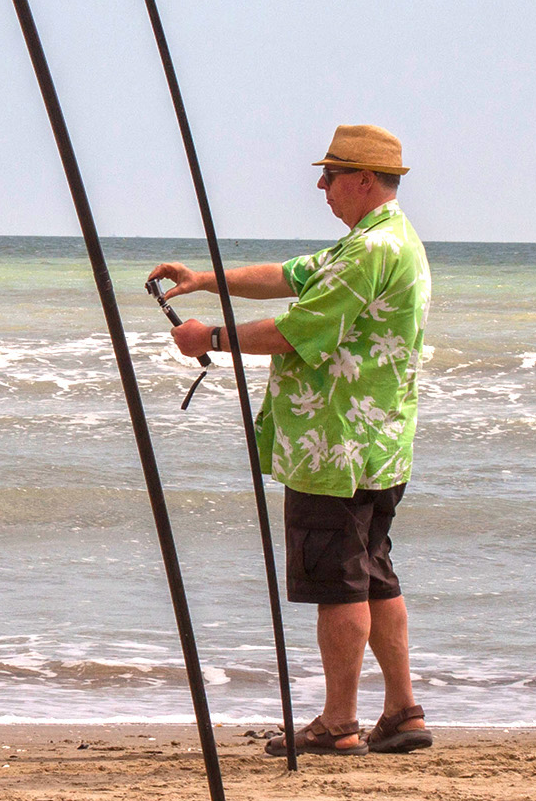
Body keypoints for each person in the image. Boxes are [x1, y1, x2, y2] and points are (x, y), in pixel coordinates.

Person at [151, 123, 433, 758]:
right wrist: (202, 279)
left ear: (363, 179)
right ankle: (403, 710)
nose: (321, 185)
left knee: (339, 583)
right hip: (378, 443)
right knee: (374, 574)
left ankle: (339, 722)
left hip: (335, 448)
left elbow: (297, 331)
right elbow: (288, 276)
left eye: (330, 175)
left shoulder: (369, 252)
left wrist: (212, 339)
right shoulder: (384, 240)